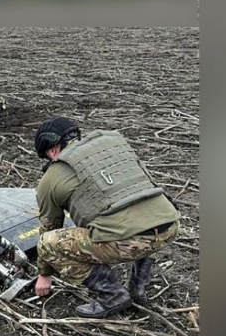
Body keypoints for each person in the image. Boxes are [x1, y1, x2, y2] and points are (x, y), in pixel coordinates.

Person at [32, 117, 180, 318]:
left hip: (130, 241)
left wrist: (44, 274)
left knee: (47, 243)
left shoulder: (51, 177)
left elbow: (49, 228)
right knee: (140, 217)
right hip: (168, 226)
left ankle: (112, 295)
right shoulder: (111, 149)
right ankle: (138, 288)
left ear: (52, 150)